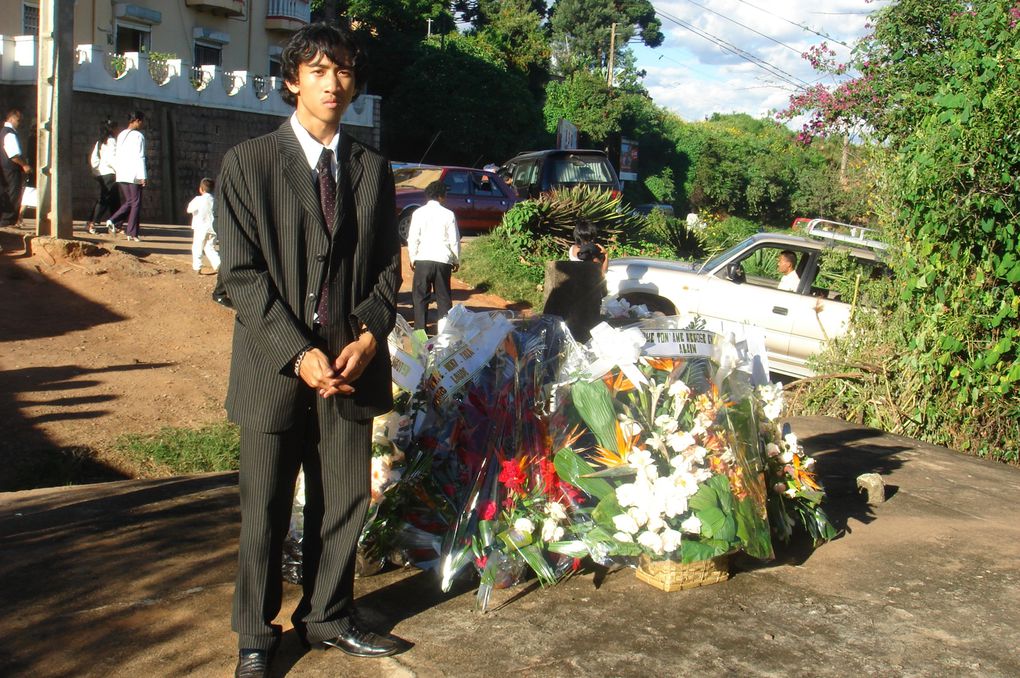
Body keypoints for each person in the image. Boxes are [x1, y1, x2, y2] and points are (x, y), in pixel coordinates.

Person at [216, 22, 405, 678]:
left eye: (345, 70)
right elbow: (239, 276)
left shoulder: (372, 169)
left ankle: (326, 615)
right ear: (293, 80)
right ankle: (254, 635)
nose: (334, 83)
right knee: (265, 505)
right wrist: (298, 352)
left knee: (345, 498)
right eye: (319, 71)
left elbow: (387, 266)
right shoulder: (247, 164)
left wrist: (369, 333)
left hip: (350, 360)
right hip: (275, 362)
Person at [406, 180, 460, 332]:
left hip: (423, 260)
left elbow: (413, 238)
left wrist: (412, 257)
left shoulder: (418, 213)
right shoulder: (449, 214)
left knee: (420, 300)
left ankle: (420, 340)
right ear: (441, 196)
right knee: (444, 300)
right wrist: (456, 260)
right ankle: (444, 338)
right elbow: (454, 240)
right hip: (443, 261)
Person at [106, 110, 146, 241]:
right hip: (134, 173)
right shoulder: (139, 136)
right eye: (141, 121)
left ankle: (115, 222)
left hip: (122, 173)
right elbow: (140, 156)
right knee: (136, 203)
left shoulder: (121, 135)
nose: (142, 124)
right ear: (137, 121)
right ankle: (131, 232)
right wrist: (143, 175)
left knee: (130, 201)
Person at [87, 119, 120, 234]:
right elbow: (113, 158)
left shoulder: (100, 141)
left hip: (102, 173)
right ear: (113, 129)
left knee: (114, 200)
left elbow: (94, 159)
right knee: (105, 200)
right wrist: (119, 170)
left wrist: (96, 171)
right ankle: (92, 223)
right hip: (110, 174)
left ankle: (116, 224)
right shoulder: (111, 141)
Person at [0, 108, 31, 226]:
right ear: (11, 119)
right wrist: (24, 165)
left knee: (6, 193)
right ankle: (8, 220)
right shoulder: (9, 133)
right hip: (11, 168)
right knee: (13, 194)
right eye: (18, 120)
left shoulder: (3, 131)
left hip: (4, 168)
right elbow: (13, 154)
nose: (20, 123)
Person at [186, 177, 219, 273]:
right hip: (213, 228)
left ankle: (197, 267)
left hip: (200, 227)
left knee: (197, 247)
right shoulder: (215, 200)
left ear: (201, 189)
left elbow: (189, 209)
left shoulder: (198, 199)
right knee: (210, 248)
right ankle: (218, 264)